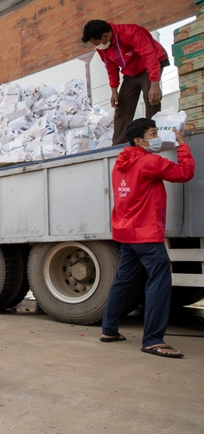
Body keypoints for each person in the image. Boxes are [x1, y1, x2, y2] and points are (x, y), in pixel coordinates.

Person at [100, 118, 194, 358]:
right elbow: (185, 173)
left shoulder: (120, 162)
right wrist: (182, 145)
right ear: (139, 140)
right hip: (145, 233)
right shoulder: (149, 162)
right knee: (159, 281)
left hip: (125, 231)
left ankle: (109, 330)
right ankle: (153, 339)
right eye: (153, 133)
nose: (157, 137)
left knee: (123, 280)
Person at [81, 20, 170, 146]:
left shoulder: (131, 32)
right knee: (122, 106)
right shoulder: (103, 47)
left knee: (151, 99)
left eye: (96, 43)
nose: (97, 46)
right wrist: (114, 91)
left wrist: (154, 84)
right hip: (130, 72)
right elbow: (111, 68)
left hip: (150, 64)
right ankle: (117, 145)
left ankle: (152, 140)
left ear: (105, 36)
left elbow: (149, 56)